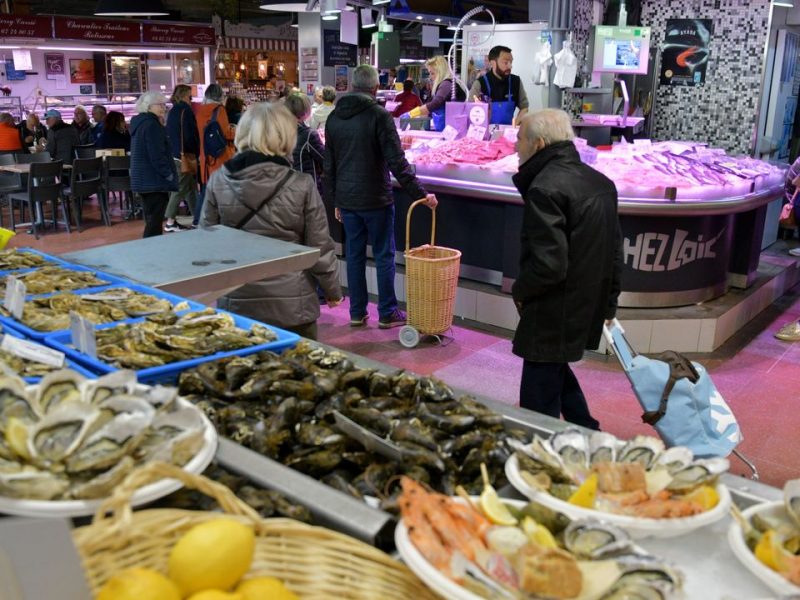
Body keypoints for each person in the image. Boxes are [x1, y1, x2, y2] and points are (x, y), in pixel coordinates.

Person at [512, 109, 622, 430]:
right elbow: (615, 252)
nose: (515, 146)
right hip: (584, 301)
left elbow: (548, 264)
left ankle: (543, 460)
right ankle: (587, 429)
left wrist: (520, 291)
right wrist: (609, 303)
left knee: (537, 401)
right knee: (555, 370)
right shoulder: (600, 182)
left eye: (520, 139)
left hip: (553, 308)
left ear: (539, 144)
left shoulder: (544, 188)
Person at [202, 102, 343, 340]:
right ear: (286, 136)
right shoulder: (302, 184)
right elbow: (319, 246)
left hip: (238, 304)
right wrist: (332, 290)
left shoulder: (218, 181)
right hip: (293, 306)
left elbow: (207, 244)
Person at [324, 64, 437, 329]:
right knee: (384, 255)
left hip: (349, 201)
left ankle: (356, 312)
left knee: (354, 255)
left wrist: (336, 201)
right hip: (376, 199)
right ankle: (387, 312)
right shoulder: (378, 116)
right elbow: (398, 163)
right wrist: (422, 195)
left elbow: (329, 167)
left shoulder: (334, 117)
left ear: (353, 86)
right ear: (375, 88)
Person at [130, 92, 178, 238]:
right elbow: (156, 154)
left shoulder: (140, 123)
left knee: (151, 218)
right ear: (149, 107)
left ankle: (151, 249)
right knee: (154, 222)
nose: (164, 107)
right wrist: (168, 174)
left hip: (143, 179)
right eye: (160, 104)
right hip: (154, 180)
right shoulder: (152, 125)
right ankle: (151, 251)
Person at [194, 83, 235, 227]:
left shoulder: (200, 111)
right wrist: (235, 130)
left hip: (205, 156)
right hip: (220, 156)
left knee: (205, 190)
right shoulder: (220, 110)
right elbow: (225, 133)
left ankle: (197, 219)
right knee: (221, 190)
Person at [165, 84, 200, 233]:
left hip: (175, 153)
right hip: (185, 155)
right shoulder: (186, 111)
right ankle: (170, 220)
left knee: (191, 188)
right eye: (190, 96)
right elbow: (190, 135)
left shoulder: (172, 111)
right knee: (180, 188)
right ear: (186, 96)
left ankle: (198, 217)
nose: (191, 99)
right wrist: (196, 152)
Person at [469, 45, 530, 126]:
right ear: (493, 63)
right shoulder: (480, 83)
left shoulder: (516, 81)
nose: (510, 66)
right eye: (506, 62)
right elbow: (470, 109)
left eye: (511, 62)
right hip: (485, 133)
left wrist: (514, 126)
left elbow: (524, 107)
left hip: (508, 134)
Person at [401, 56, 466, 131]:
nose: (430, 77)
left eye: (432, 73)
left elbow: (434, 103)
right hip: (445, 128)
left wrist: (411, 114)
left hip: (454, 129)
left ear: (440, 72)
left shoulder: (447, 84)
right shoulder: (441, 86)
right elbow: (429, 103)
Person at [285, 93, 325, 189]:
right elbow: (325, 159)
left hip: (284, 186)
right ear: (306, 110)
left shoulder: (279, 131)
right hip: (305, 188)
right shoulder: (308, 135)